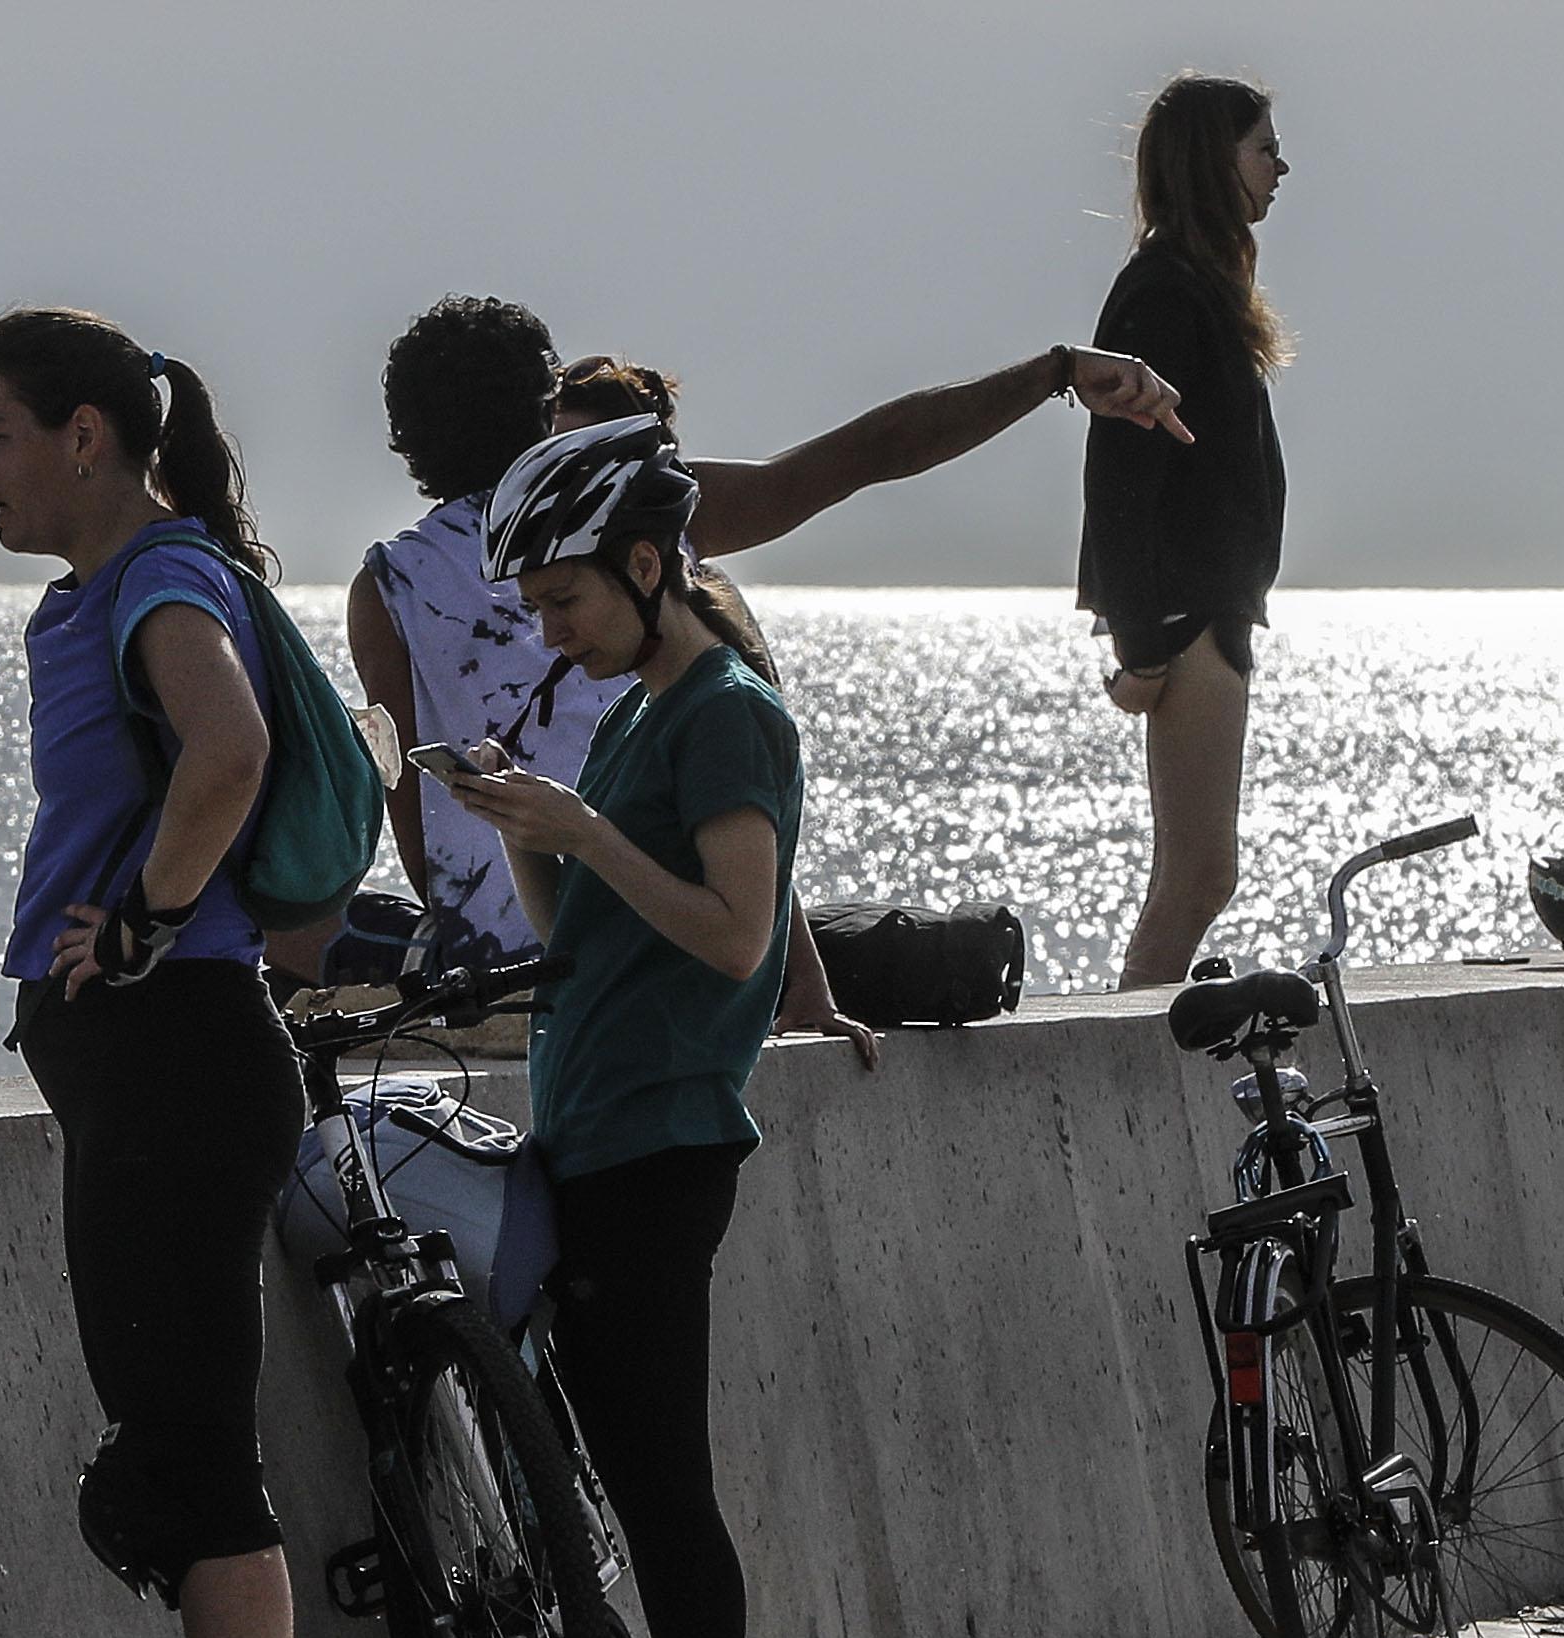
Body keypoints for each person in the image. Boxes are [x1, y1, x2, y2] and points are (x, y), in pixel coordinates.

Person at [0, 310, 325, 1638]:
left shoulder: (161, 582)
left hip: (176, 1059)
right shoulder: (111, 591)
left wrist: (148, 923)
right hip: (150, 1069)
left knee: (195, 1450)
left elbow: (229, 749)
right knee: (179, 1434)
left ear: (86, 435)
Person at [344, 304, 1181, 972]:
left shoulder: (385, 588)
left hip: (505, 960)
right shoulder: (636, 509)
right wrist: (1056, 373)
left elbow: (418, 829)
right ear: (544, 413)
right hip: (677, 935)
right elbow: (864, 455)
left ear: (407, 442)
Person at [434, 415, 809, 1638]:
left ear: (651, 566)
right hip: (598, 1132)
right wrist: (526, 826)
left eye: (566, 598)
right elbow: (578, 938)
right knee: (633, 1475)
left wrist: (581, 828)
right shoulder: (642, 711)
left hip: (661, 1141)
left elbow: (734, 938)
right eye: (532, 607)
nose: (550, 627)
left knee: (661, 1482)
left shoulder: (723, 711)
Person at [1084, 76, 1292, 990]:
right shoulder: (1166, 289)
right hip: (1188, 619)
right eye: (1263, 147)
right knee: (1201, 875)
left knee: (1196, 874)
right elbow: (1121, 476)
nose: (1282, 165)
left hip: (1212, 613)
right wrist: (1143, 641)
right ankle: (1124, 1058)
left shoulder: (1204, 283)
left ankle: (1131, 1047)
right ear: (1216, 162)